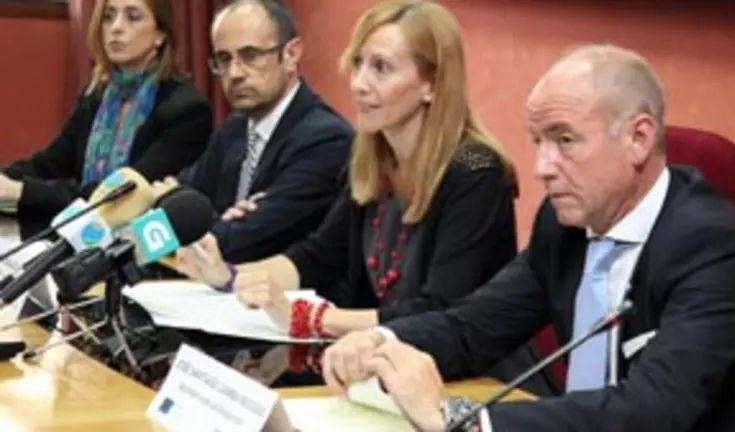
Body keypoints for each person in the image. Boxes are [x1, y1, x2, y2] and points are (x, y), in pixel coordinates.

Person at [320, 44, 735, 432]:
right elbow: (473, 328)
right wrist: (385, 341)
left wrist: (462, 418)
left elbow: (653, 411)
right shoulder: (565, 226)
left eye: (565, 140)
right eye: (538, 142)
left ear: (638, 138)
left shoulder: (718, 250)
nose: (542, 167)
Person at [176, 0, 518, 338]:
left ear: (432, 83)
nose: (358, 84)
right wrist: (229, 275)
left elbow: (439, 309)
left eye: (381, 68)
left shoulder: (477, 171)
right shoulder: (372, 161)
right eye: (358, 64)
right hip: (380, 359)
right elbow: (318, 256)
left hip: (469, 377)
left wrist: (312, 319)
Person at [158, 0, 354, 264]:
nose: (235, 73)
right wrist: (220, 219)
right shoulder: (235, 128)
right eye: (223, 59)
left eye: (250, 55)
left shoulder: (326, 140)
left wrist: (212, 223)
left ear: (291, 54)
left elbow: (241, 243)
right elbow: (174, 199)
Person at [0, 0, 212, 238]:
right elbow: (50, 163)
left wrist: (21, 192)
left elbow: (119, 196)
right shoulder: (97, 95)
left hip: (138, 245)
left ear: (160, 35)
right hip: (81, 237)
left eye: (132, 17)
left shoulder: (186, 109)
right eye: (109, 17)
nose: (116, 28)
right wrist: (5, 178)